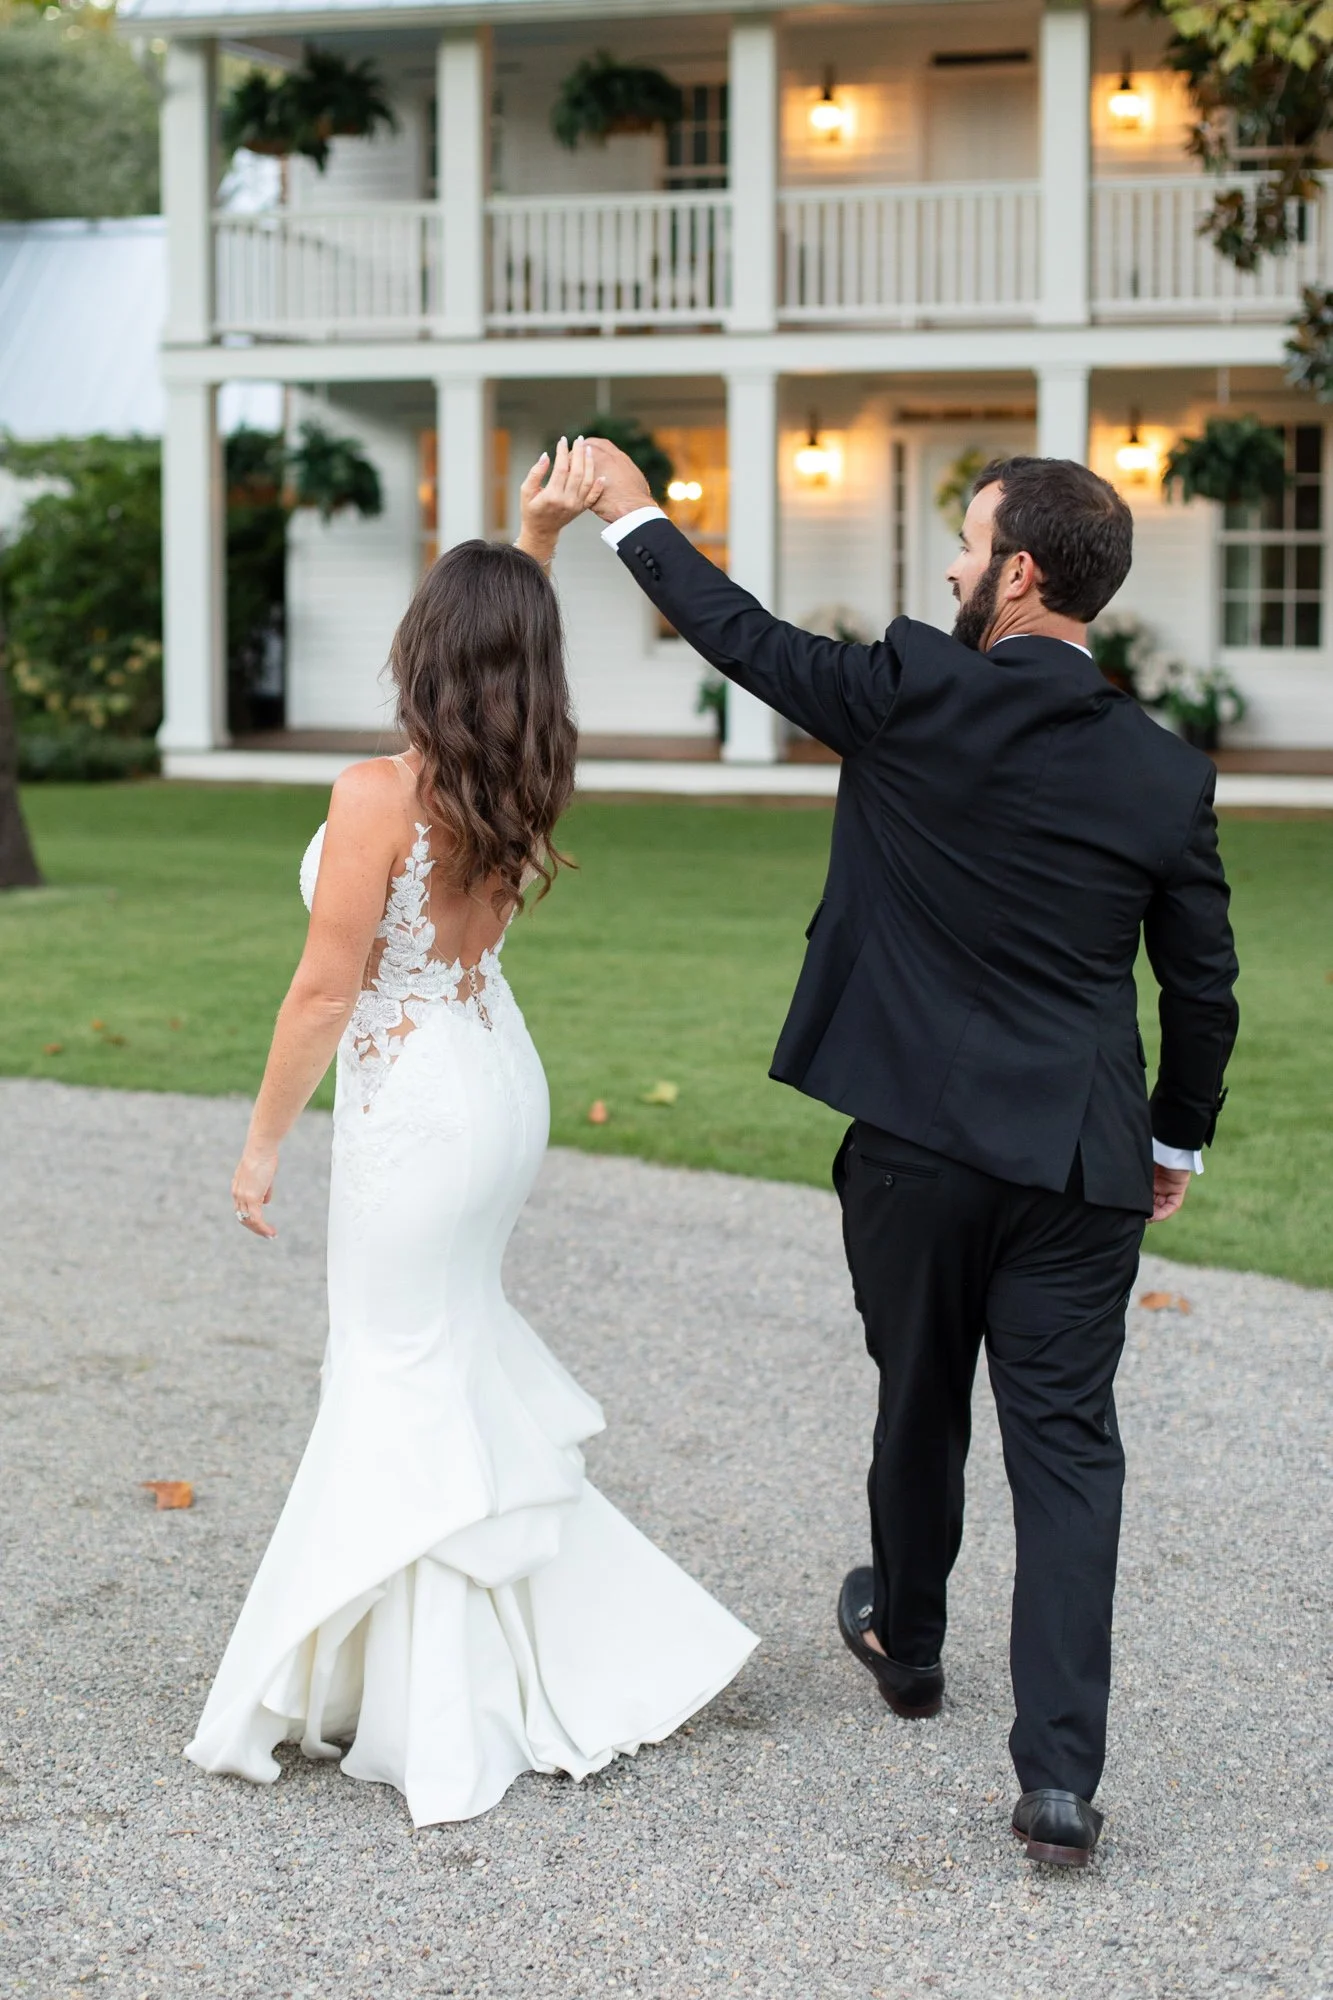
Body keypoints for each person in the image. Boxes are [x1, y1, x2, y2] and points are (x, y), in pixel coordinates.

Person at [584, 441, 1239, 1868]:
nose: (946, 565)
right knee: (1069, 1451)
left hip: (920, 1150)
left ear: (1015, 572)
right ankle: (1059, 1782)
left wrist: (632, 512)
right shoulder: (1163, 772)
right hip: (1081, 1162)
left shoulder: (911, 691)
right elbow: (1203, 986)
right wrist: (1173, 1136)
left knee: (918, 1394)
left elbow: (741, 639)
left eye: (963, 540)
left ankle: (909, 1636)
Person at [184, 439, 756, 1827]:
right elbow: (513, 632)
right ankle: (448, 1667)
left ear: (420, 649)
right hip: (493, 1080)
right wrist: (536, 537)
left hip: (420, 1111)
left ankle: (439, 1714)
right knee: (450, 1366)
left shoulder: (377, 795)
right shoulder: (516, 766)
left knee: (399, 1379)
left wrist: (262, 1145)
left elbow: (325, 991)